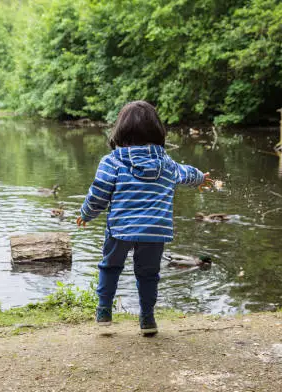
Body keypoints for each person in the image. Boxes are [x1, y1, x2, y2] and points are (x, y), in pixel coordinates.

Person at [76, 101, 212, 336]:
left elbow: (98, 194)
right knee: (148, 274)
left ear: (120, 130)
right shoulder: (166, 163)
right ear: (157, 131)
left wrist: (86, 214)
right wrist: (201, 178)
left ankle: (104, 312)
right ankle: (147, 319)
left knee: (110, 267)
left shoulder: (112, 161)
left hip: (120, 229)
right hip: (154, 230)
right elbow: (186, 172)